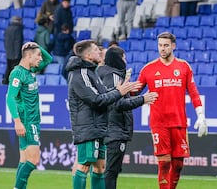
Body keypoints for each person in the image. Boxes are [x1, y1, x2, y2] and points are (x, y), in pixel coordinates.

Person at [136, 32, 208, 189]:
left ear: (173, 46)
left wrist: (201, 116)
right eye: (160, 45)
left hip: (178, 122)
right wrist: (123, 86)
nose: (162, 48)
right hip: (159, 122)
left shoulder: (183, 67)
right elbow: (135, 92)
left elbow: (194, 93)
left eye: (166, 45)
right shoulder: (148, 69)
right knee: (164, 162)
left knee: (178, 164)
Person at [66, 40, 140, 189]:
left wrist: (118, 91)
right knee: (84, 165)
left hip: (98, 127)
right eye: (95, 49)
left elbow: (105, 95)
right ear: (87, 55)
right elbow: (96, 100)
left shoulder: (92, 72)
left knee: (100, 167)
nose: (100, 52)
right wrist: (119, 92)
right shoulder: (81, 74)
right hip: (88, 127)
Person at [97, 46, 158, 189]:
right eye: (123, 58)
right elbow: (116, 104)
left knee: (110, 171)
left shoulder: (106, 74)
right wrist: (143, 99)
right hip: (115, 130)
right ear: (118, 59)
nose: (125, 61)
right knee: (111, 172)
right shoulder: (113, 76)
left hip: (110, 128)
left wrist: (130, 92)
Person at [6, 42, 53, 189]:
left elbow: (49, 59)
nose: (40, 58)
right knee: (33, 160)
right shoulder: (17, 73)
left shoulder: (30, 71)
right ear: (28, 56)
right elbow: (10, 98)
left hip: (32, 120)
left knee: (24, 160)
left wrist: (38, 46)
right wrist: (17, 122)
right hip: (27, 121)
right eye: (37, 55)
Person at [3, 16, 23, 85]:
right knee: (15, 69)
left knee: (8, 68)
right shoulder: (18, 29)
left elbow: (5, 41)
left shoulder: (7, 29)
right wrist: (18, 54)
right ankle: (14, 83)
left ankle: (5, 81)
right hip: (15, 54)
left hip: (9, 52)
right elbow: (18, 42)